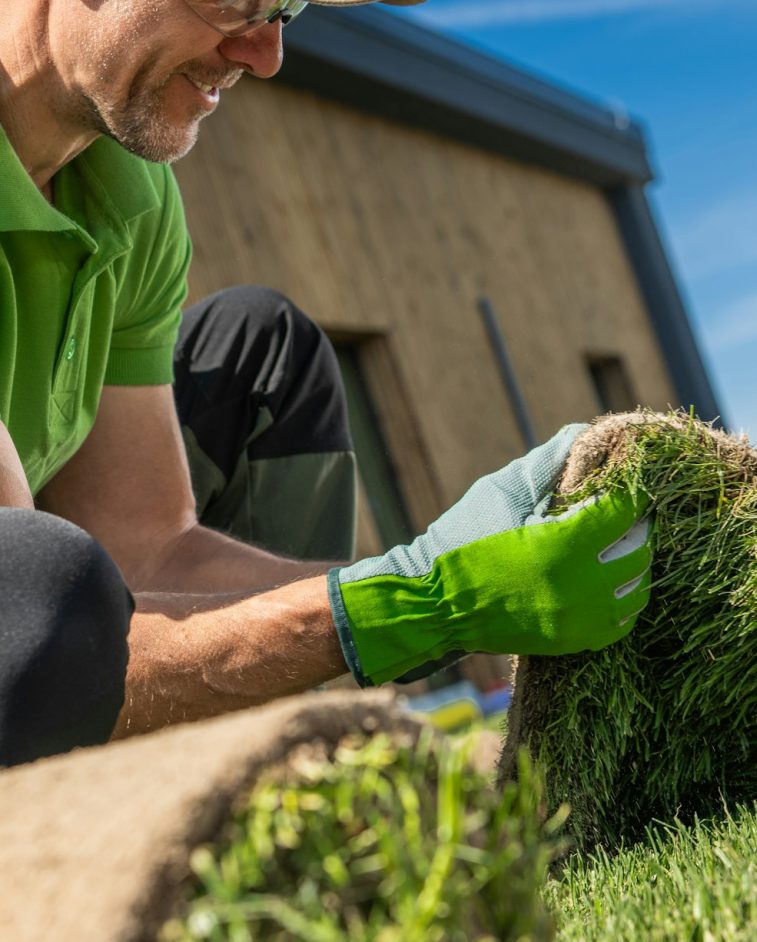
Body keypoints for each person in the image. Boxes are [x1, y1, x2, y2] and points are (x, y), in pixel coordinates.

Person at [0, 0, 652, 768]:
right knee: (42, 586)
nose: (265, 54)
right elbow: (22, 631)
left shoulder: (125, 195)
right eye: (241, 3)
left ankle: (267, 774)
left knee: (260, 345)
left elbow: (146, 549)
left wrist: (409, 577)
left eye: (287, 11)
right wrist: (412, 607)